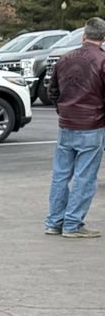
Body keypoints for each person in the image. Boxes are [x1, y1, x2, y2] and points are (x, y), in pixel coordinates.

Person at [47, 16, 105, 238]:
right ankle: (72, 224)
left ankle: (54, 221)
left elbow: (53, 90)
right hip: (91, 124)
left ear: (84, 35)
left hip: (67, 123)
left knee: (60, 175)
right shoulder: (101, 60)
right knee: (85, 177)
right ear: (103, 38)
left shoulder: (65, 58)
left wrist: (63, 110)